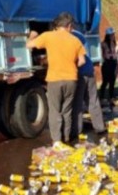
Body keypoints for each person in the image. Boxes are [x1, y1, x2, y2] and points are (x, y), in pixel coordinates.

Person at [26, 12, 85, 144]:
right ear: (68, 26)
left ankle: (57, 141)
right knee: (67, 110)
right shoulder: (76, 40)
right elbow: (82, 61)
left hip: (54, 79)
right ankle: (67, 137)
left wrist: (32, 35)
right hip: (71, 79)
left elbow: (29, 45)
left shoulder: (48, 36)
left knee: (55, 110)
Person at [71, 29, 106, 138]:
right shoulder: (80, 33)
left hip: (80, 72)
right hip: (89, 70)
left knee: (78, 102)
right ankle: (100, 127)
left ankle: (77, 130)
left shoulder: (70, 37)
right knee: (93, 100)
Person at [99, 27, 117, 104]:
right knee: (105, 81)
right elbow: (102, 55)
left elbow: (115, 53)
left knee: (112, 82)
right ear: (108, 35)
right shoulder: (103, 44)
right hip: (106, 64)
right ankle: (102, 97)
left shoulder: (114, 43)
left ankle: (111, 98)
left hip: (113, 64)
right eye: (112, 34)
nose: (113, 36)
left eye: (113, 34)